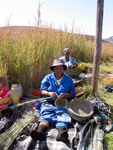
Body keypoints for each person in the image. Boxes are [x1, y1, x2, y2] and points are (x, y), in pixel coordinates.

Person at [30, 59, 76, 142]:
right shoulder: (48, 78)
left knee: (62, 114)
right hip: (49, 101)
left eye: (60, 68)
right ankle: (40, 132)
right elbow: (42, 91)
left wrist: (67, 95)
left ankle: (61, 133)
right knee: (46, 113)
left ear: (63, 69)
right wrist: (49, 93)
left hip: (62, 102)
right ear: (53, 69)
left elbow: (73, 92)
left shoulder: (68, 79)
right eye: (56, 68)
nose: (58, 70)